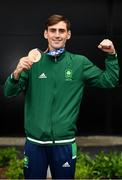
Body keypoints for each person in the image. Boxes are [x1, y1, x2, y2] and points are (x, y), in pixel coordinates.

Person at [4, 14, 119, 179]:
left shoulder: (79, 63)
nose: (57, 34)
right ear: (46, 34)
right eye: (53, 30)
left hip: (64, 144)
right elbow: (8, 93)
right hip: (35, 144)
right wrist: (16, 73)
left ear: (68, 34)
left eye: (61, 30)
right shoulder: (32, 63)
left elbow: (109, 81)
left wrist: (112, 55)